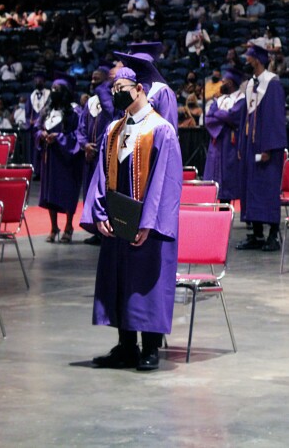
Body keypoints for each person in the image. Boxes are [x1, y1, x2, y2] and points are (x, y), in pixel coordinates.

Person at [81, 66, 182, 372]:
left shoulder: (161, 130)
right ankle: (126, 346)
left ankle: (150, 348)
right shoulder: (114, 129)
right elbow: (100, 177)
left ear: (139, 88)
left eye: (122, 87)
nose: (116, 93)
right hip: (117, 221)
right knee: (120, 280)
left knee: (146, 283)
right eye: (113, 89)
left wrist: (149, 222)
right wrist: (99, 215)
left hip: (147, 225)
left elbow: (166, 182)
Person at [236, 45, 287, 251]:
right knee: (251, 188)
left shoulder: (272, 83)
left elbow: (275, 118)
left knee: (267, 189)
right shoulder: (249, 85)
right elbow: (244, 117)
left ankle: (273, 234)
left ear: (257, 60)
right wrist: (242, 143)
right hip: (250, 144)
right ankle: (256, 233)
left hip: (267, 146)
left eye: (248, 57)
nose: (246, 61)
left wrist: (268, 147)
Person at [37, 74, 82, 244]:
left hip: (66, 159)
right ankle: (53, 227)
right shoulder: (48, 110)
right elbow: (36, 128)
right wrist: (41, 134)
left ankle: (69, 226)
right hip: (50, 159)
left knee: (67, 192)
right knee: (50, 193)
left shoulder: (75, 111)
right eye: (53, 89)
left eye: (58, 89)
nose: (54, 92)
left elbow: (79, 134)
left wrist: (60, 137)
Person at [77, 66, 117, 246]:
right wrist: (85, 145)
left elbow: (113, 126)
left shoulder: (113, 102)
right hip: (89, 156)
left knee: (103, 192)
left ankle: (107, 229)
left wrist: (99, 147)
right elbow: (81, 128)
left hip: (104, 155)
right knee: (90, 193)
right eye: (92, 79)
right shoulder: (90, 103)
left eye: (97, 79)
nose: (93, 82)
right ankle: (95, 230)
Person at [203, 68, 246, 204]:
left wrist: (219, 114)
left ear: (232, 83)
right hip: (218, 143)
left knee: (231, 176)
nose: (222, 82)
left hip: (232, 143)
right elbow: (208, 119)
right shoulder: (219, 99)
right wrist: (224, 117)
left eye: (225, 80)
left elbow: (234, 116)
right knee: (215, 177)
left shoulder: (242, 100)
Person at [116, 42, 178, 131]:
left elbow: (169, 130)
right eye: (130, 65)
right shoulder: (128, 91)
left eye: (138, 65)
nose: (133, 69)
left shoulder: (161, 91)